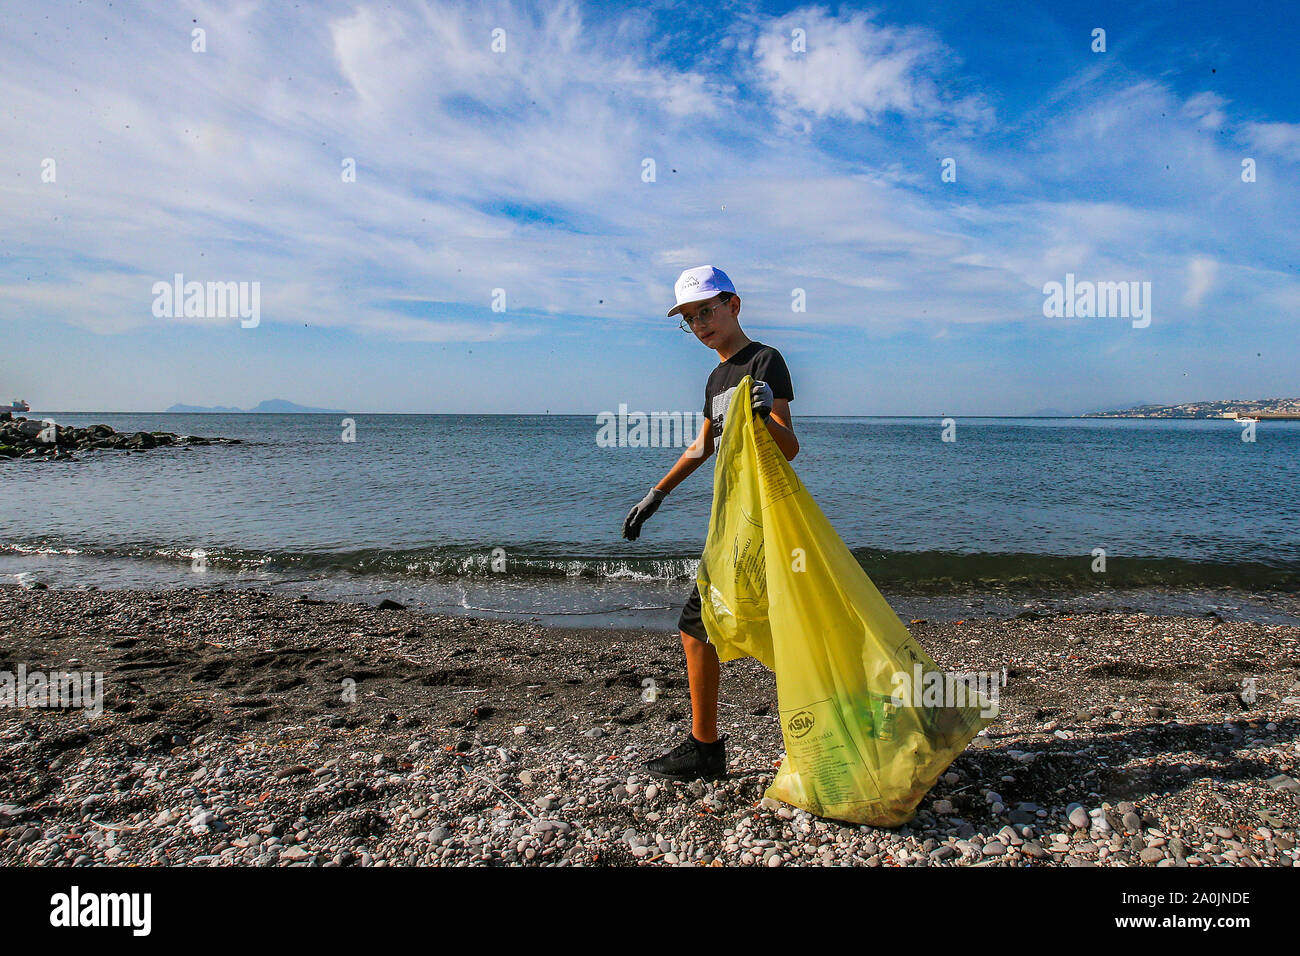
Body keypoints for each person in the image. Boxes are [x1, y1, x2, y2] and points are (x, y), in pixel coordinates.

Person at [622, 265, 798, 780]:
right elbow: (705, 445)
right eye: (689, 318)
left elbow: (789, 448)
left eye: (706, 311)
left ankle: (801, 740)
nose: (699, 324)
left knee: (769, 628)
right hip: (735, 520)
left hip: (769, 518)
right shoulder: (716, 377)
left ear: (733, 305)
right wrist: (657, 493)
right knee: (699, 626)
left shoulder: (765, 361)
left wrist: (767, 413)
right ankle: (706, 747)